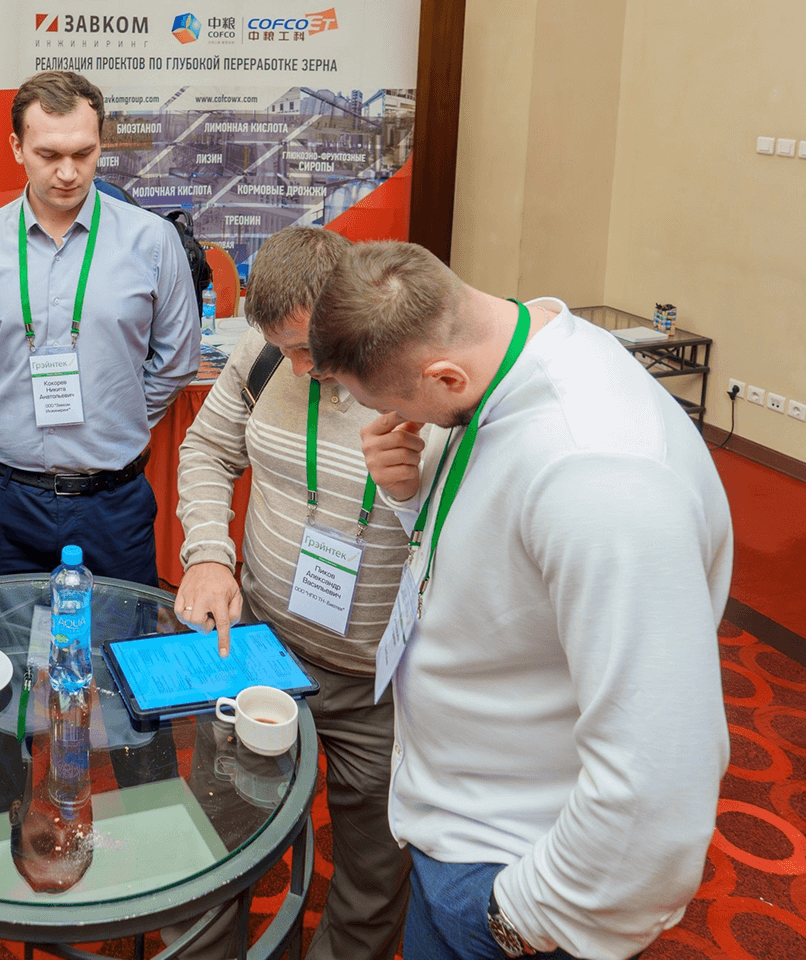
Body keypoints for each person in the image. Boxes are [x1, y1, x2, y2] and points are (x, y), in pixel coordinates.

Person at [308, 241, 732, 960]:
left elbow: (661, 777)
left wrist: (514, 919)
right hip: (459, 831)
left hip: (516, 876)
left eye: (390, 404)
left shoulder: (601, 476)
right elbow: (498, 564)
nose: (388, 420)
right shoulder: (509, 354)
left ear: (444, 375)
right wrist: (410, 496)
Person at [173, 226, 412, 960]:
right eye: (287, 349)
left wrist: (410, 496)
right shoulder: (265, 354)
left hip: (381, 681)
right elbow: (207, 450)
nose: (302, 367)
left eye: (312, 348)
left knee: (373, 870)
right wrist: (208, 553)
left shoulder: (413, 375)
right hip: (263, 649)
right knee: (220, 837)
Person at [0, 70, 199, 585]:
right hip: (3, 499)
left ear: (101, 144)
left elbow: (176, 360)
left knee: (118, 630)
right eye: (49, 155)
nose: (68, 172)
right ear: (17, 148)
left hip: (112, 502)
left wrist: (116, 413)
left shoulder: (152, 240)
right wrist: (9, 409)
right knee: (3, 632)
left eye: (83, 153)